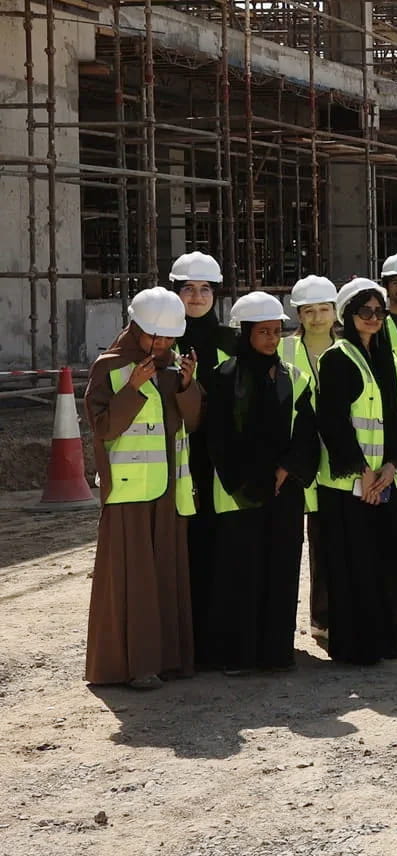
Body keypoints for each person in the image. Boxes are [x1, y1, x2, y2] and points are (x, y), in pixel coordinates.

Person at [84, 288, 202, 689]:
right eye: (156, 337)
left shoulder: (172, 370)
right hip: (128, 495)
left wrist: (188, 386)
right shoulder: (109, 369)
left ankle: (169, 660)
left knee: (166, 575)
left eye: (169, 338)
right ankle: (133, 667)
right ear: (135, 330)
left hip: (169, 492)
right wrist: (132, 389)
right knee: (132, 581)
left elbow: (194, 423)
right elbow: (102, 428)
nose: (163, 345)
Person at [200, 292, 320, 675]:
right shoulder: (225, 377)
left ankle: (276, 653)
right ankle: (238, 655)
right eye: (263, 332)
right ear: (246, 333)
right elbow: (217, 439)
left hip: (284, 493)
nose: (271, 339)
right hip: (239, 494)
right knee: (240, 572)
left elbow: (306, 432)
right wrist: (247, 481)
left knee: (281, 569)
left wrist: (287, 468)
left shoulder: (293, 377)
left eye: (276, 331)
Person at [310, 278, 397, 665]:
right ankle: (355, 646)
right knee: (351, 563)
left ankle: (385, 639)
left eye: (378, 312)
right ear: (349, 316)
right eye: (364, 311)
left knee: (384, 559)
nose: (373, 318)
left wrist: (391, 466)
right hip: (346, 483)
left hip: (384, 481)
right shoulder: (337, 358)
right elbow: (333, 422)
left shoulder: (388, 359)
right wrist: (362, 471)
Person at [169, 250, 232, 667]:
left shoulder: (230, 342)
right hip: (173, 461)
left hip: (219, 461)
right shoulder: (161, 341)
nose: (196, 297)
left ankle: (213, 642)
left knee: (216, 546)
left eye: (204, 289)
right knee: (178, 549)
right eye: (188, 289)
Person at [282, 274, 336, 646]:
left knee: (328, 543)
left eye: (324, 309)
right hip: (293, 460)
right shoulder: (284, 349)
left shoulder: (349, 347)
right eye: (309, 311)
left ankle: (325, 619)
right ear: (298, 315)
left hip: (335, 461)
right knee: (286, 545)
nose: (317, 318)